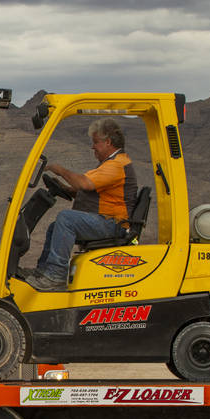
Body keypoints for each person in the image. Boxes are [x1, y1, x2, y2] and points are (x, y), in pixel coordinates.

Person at [26, 118, 137, 292]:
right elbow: (89, 192)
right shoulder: (110, 164)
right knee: (55, 227)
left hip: (112, 223)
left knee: (66, 219)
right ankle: (43, 271)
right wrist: (63, 188)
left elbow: (84, 184)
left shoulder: (116, 165)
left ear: (108, 142)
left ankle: (56, 275)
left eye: (95, 142)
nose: (93, 147)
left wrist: (60, 170)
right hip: (106, 220)